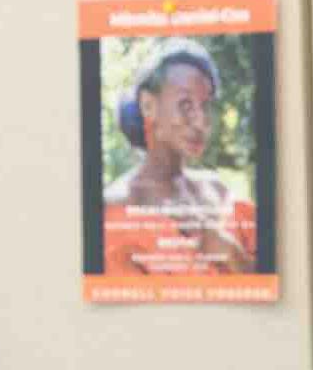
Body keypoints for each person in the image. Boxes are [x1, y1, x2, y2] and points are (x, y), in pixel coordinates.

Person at [101, 38, 255, 277]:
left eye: (206, 106)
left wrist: (230, 251)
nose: (201, 121)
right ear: (148, 106)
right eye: (185, 104)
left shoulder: (219, 192)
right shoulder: (116, 210)